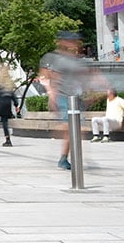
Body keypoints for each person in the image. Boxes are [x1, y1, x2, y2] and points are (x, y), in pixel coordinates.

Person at [40, 30, 89, 170]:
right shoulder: (53, 57)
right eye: (69, 40)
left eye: (74, 41)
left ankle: (64, 158)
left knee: (76, 129)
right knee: (71, 127)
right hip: (62, 96)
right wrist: (51, 93)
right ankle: (64, 158)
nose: (72, 43)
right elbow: (46, 75)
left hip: (75, 97)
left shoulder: (75, 59)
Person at [0, 62, 16, 147]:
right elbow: (13, 95)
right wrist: (16, 105)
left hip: (1, 104)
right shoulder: (9, 83)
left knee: (4, 122)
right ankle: (8, 139)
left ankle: (7, 139)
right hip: (8, 104)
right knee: (5, 121)